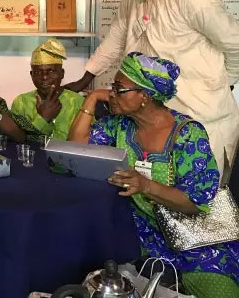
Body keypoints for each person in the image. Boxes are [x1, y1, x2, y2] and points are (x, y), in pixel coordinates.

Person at [65, 0, 239, 173]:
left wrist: (223, 84)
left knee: (198, 189)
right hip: (153, 117)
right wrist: (84, 79)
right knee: (150, 187)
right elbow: (117, 36)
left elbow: (235, 44)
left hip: (201, 115)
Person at [68, 52, 239, 298]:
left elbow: (196, 202)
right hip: (141, 234)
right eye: (112, 87)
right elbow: (76, 149)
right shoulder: (120, 125)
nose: (111, 94)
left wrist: (146, 185)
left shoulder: (187, 134)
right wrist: (91, 99)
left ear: (145, 96)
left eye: (119, 89)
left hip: (193, 239)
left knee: (219, 292)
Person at [11, 39, 84, 141]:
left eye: (51, 71)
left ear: (62, 73)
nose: (44, 77)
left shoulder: (78, 102)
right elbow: (17, 142)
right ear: (31, 75)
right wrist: (42, 118)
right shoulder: (21, 102)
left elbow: (88, 140)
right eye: (37, 72)